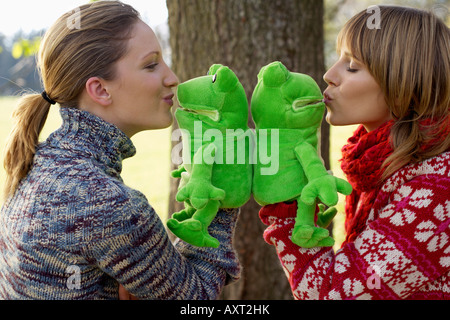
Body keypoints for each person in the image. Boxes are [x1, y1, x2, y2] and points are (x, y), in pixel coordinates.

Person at [0, 0, 240, 300]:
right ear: (100, 89)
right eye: (151, 64)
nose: (173, 78)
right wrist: (225, 188)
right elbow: (195, 298)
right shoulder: (109, 205)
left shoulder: (38, 162)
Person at [259, 6, 450, 300]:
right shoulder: (380, 163)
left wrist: (287, 206)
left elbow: (331, 293)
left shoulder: (438, 189)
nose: (329, 75)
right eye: (339, 59)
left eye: (352, 66)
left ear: (405, 81)